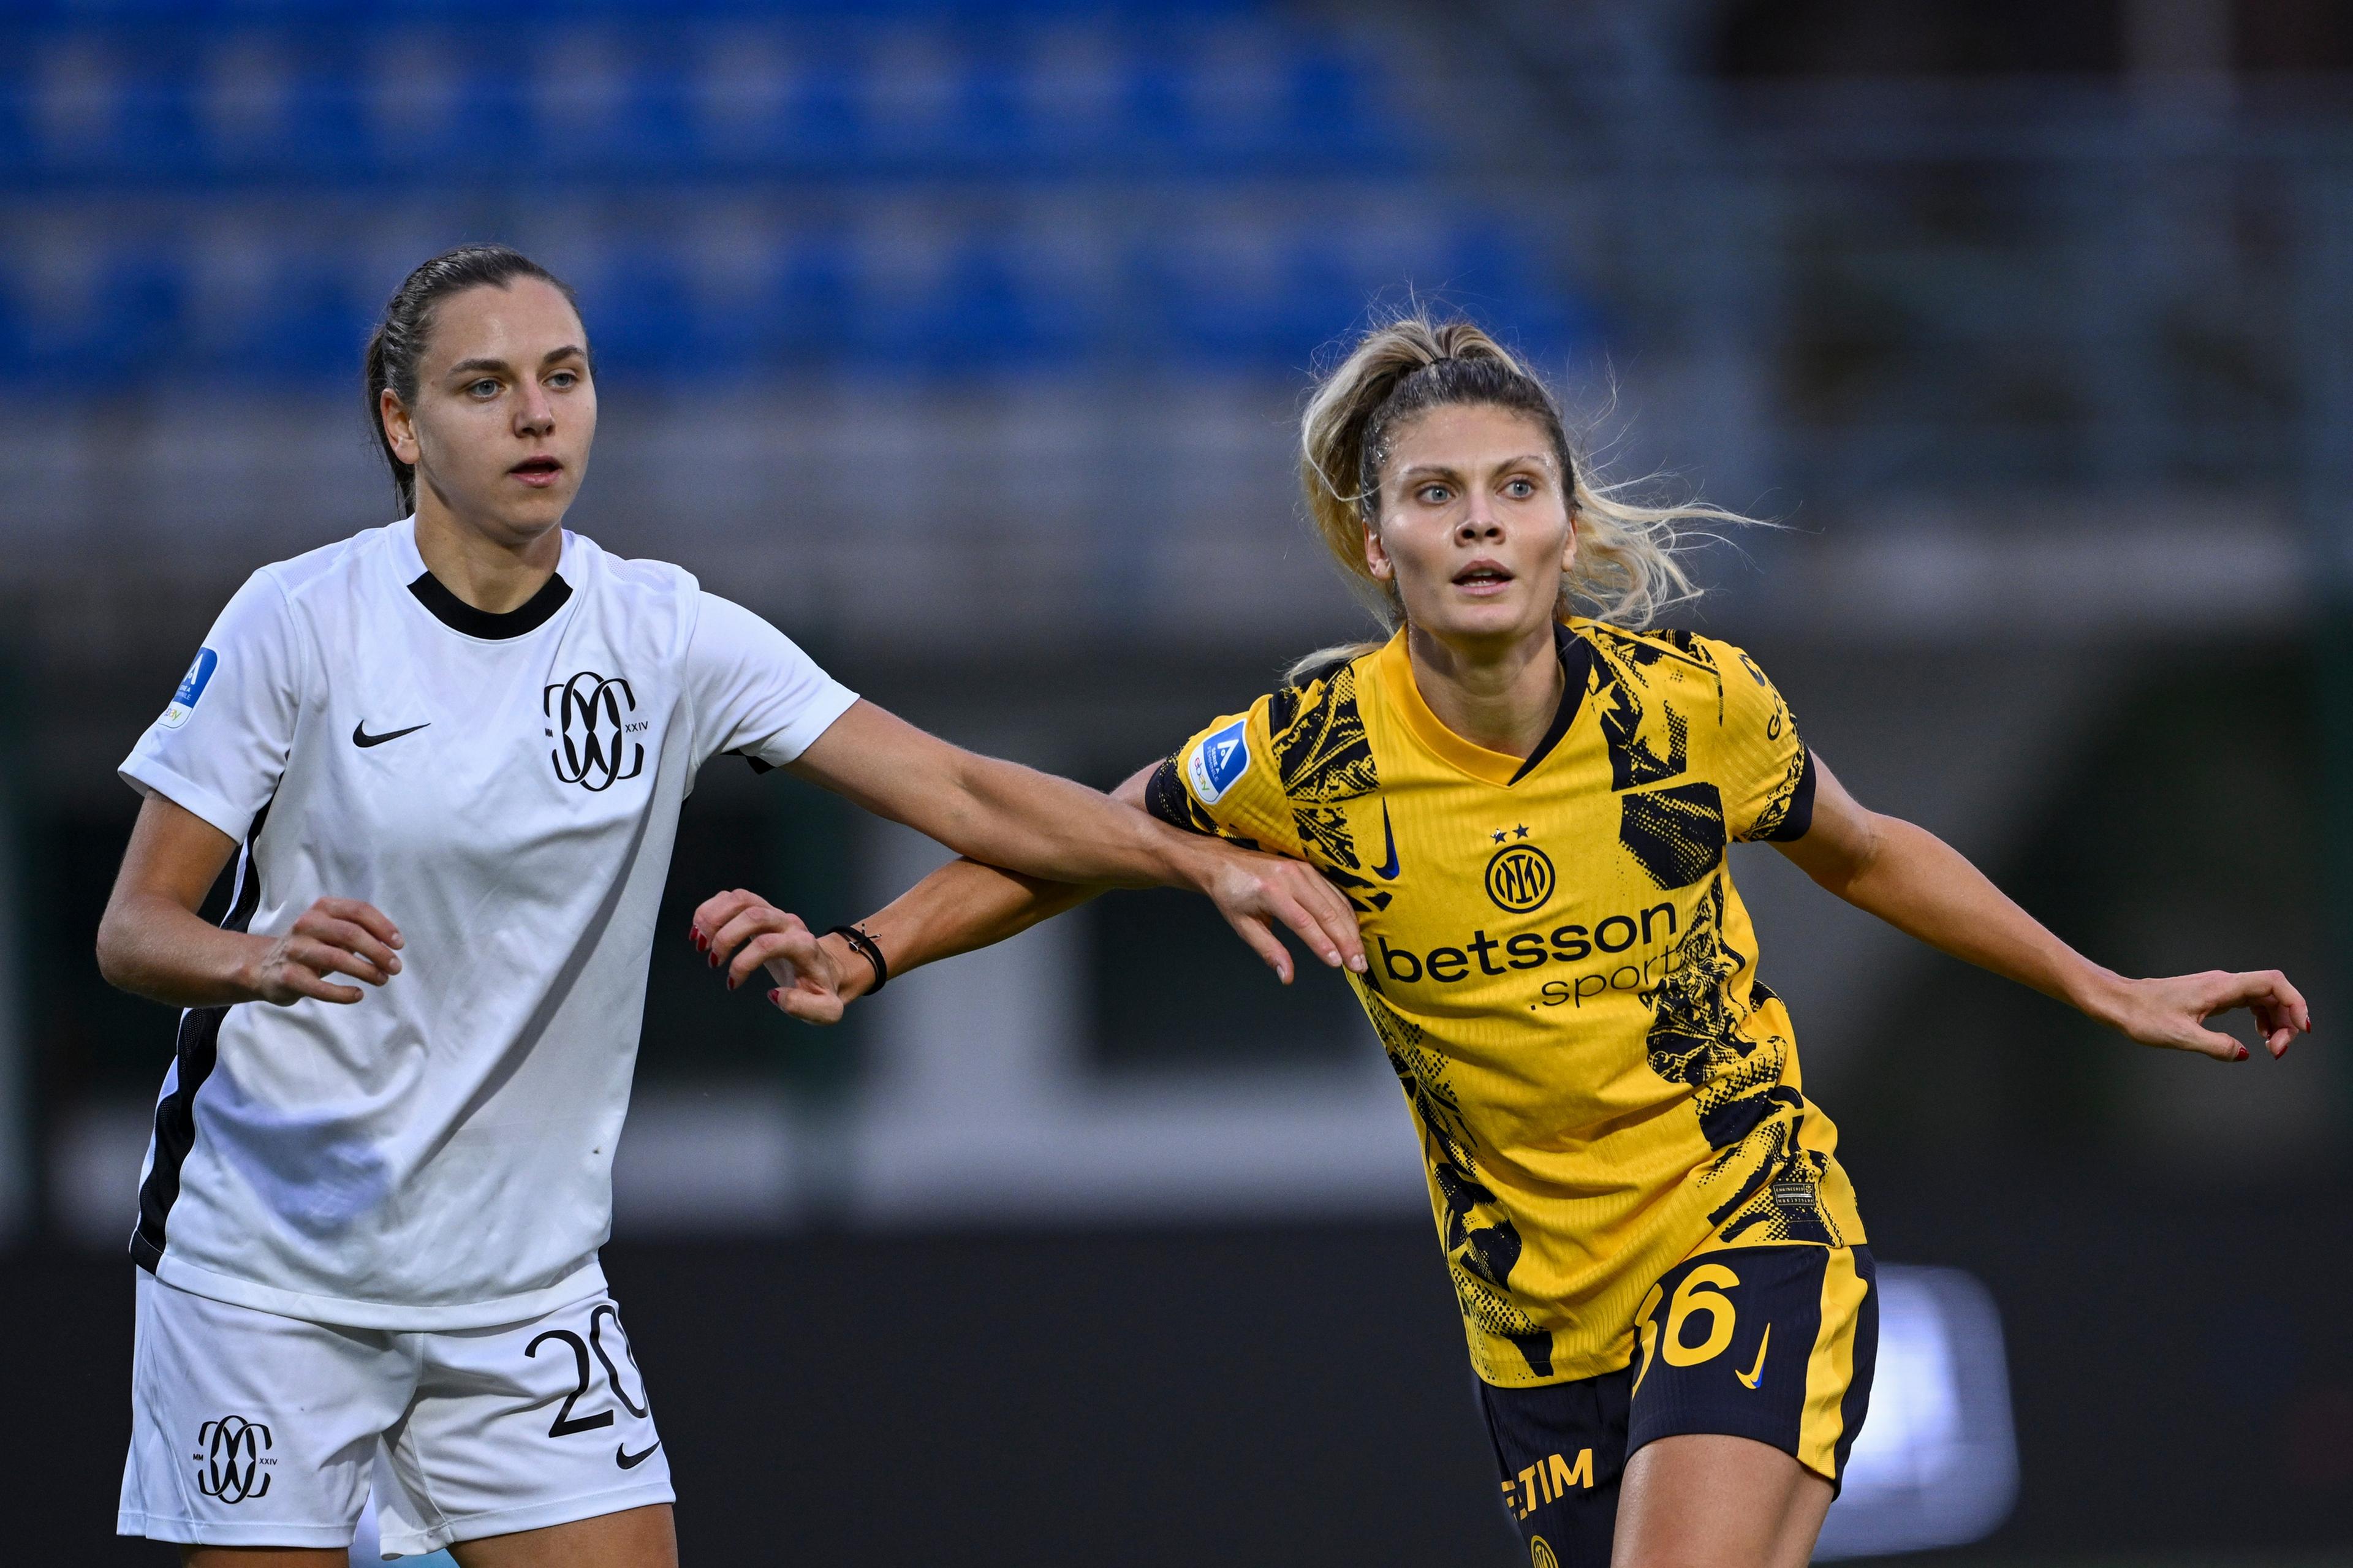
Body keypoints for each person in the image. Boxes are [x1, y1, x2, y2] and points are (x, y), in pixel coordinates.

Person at [695, 314, 2313, 1568]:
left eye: (1514, 490)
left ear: (1563, 528)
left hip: (1744, 1223)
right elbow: (1083, 840)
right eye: (1436, 496)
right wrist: (873, 946)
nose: (1479, 524)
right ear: (1377, 540)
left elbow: (1869, 849)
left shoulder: (1693, 711)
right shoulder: (1309, 753)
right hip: (1531, 1320)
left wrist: (2100, 984)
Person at [96, 243, 1363, 1568]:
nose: (537, 414)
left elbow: (962, 787)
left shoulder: (665, 633)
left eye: (564, 376)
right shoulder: (296, 622)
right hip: (270, 1272)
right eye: (485, 386)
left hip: (523, 1286)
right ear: (401, 424)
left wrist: (1206, 860)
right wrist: (255, 958)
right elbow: (134, 932)